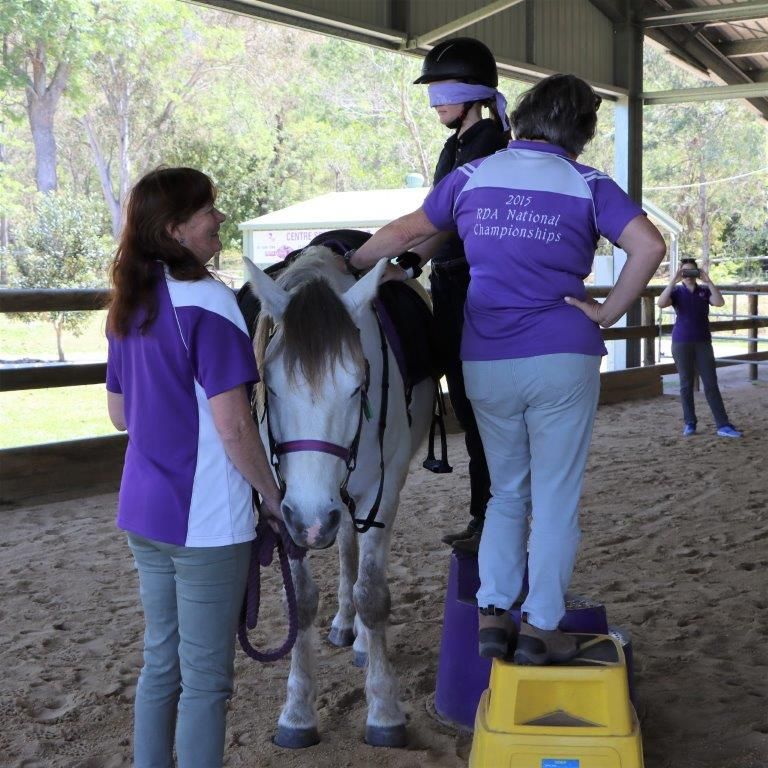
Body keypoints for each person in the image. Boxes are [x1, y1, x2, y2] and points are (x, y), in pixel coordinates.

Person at [344, 74, 666, 664]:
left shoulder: (473, 175)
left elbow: (407, 231)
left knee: (505, 493)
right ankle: (542, 625)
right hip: (562, 356)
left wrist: (348, 265)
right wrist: (607, 312)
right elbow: (649, 246)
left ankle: (494, 612)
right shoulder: (589, 183)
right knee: (556, 495)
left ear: (521, 118)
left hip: (486, 356)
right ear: (582, 132)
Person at [105, 167, 282, 767]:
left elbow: (119, 415)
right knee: (206, 682)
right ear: (177, 228)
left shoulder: (130, 304)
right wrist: (275, 497)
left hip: (144, 512)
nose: (220, 220)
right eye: (209, 209)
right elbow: (235, 427)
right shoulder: (209, 302)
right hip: (206, 521)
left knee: (162, 664)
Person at [412, 37, 511, 553]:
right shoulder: (455, 145)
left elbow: (452, 219)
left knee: (480, 410)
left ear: (474, 93)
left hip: (472, 284)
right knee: (469, 409)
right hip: (448, 279)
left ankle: (493, 516)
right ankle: (484, 514)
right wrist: (413, 261)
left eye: (444, 91)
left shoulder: (490, 145)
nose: (435, 102)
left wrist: (412, 254)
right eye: (431, 91)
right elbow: (438, 218)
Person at [657, 257, 742, 438]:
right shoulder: (677, 292)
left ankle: (723, 425)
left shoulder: (704, 290)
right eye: (685, 272)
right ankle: (690, 423)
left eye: (691, 272)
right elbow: (661, 303)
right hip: (681, 342)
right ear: (681, 273)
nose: (688, 275)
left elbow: (719, 302)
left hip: (703, 342)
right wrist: (673, 280)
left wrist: (708, 280)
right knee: (685, 384)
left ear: (697, 273)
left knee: (711, 383)